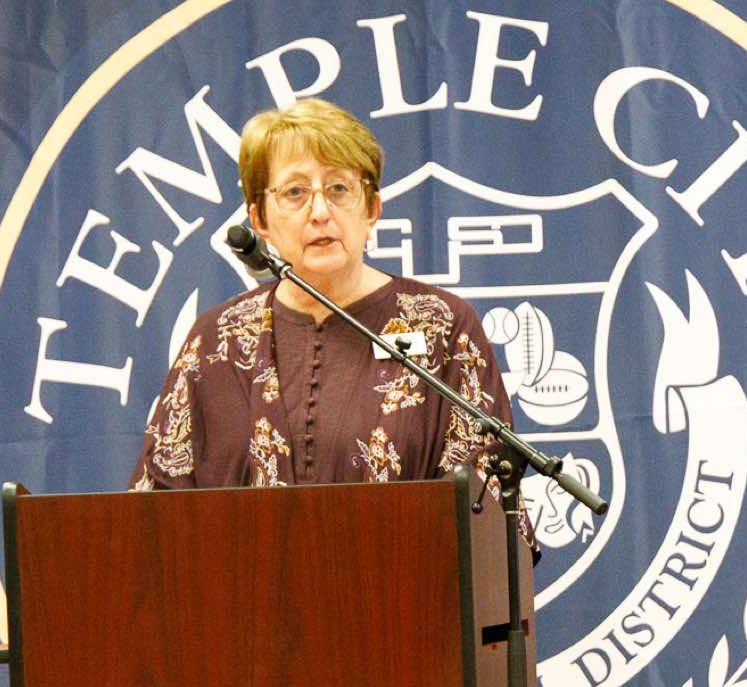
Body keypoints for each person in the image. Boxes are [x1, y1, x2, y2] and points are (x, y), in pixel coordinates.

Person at [129, 99, 534, 546]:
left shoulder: (441, 326)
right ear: (259, 219)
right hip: (238, 589)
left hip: (404, 584)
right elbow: (152, 516)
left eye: (339, 188)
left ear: (372, 208)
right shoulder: (215, 341)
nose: (320, 211)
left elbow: (484, 506)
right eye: (295, 192)